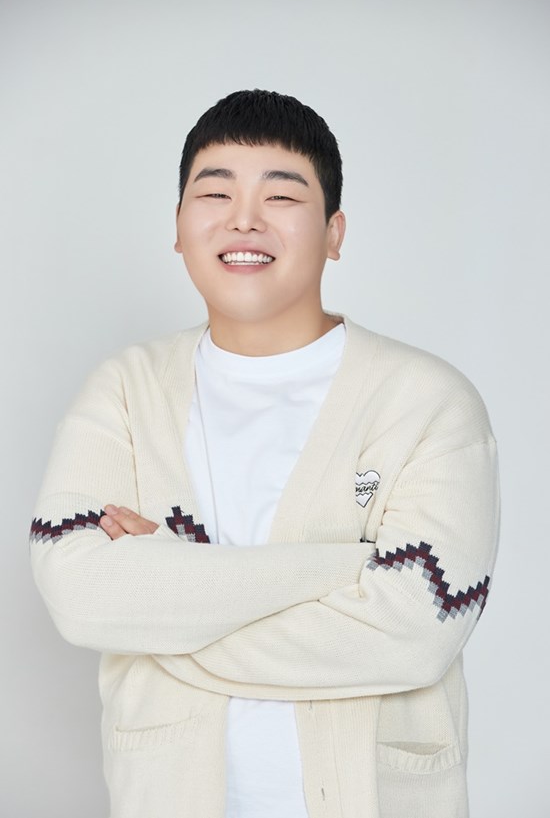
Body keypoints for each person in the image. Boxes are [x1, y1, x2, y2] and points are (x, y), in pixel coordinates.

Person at [30, 89, 500, 818]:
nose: (244, 219)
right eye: (215, 192)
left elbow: (414, 634)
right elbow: (80, 595)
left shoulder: (426, 401)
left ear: (334, 232)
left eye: (281, 195)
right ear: (178, 227)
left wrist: (168, 599)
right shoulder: (123, 391)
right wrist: (344, 568)